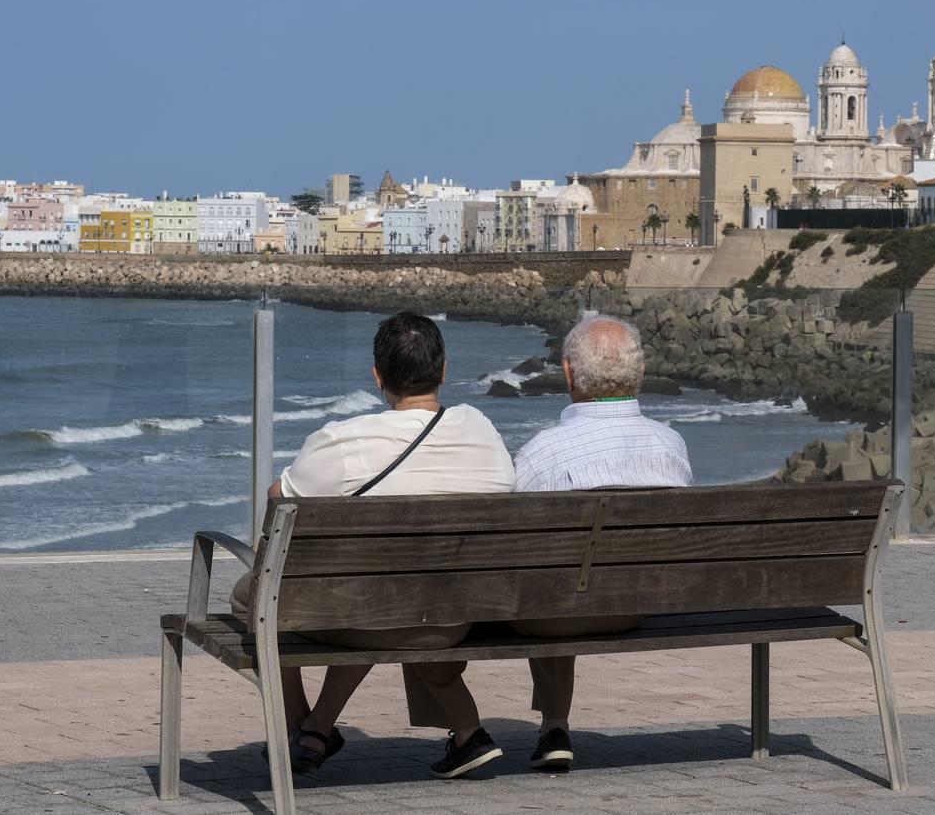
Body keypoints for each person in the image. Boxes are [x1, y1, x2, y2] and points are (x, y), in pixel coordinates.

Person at [230, 311, 514, 779]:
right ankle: (321, 726)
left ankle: (299, 723)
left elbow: (277, 501)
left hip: (373, 612)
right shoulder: (481, 430)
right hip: (454, 617)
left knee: (259, 598)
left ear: (377, 377)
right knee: (386, 595)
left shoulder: (344, 442)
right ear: (443, 371)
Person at [510, 314, 693, 769]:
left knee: (557, 584)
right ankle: (554, 724)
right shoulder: (671, 445)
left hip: (560, 616)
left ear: (568, 373)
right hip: (642, 606)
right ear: (641, 374)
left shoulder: (542, 451)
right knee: (573, 578)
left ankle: (554, 723)